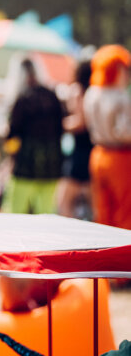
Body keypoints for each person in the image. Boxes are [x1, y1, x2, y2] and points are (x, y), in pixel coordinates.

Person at [2, 58, 63, 215]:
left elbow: (13, 133)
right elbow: (60, 127)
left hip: (26, 163)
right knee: (47, 212)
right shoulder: (51, 95)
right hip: (52, 161)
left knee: (16, 211)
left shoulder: (23, 99)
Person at [82, 45, 131, 230]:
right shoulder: (119, 96)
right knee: (125, 210)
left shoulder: (91, 93)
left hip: (98, 154)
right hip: (120, 156)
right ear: (117, 69)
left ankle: (104, 253)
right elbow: (124, 132)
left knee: (102, 210)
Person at [56, 57, 93, 218]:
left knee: (64, 203)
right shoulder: (93, 90)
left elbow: (81, 122)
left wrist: (60, 125)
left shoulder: (78, 90)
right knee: (91, 202)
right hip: (90, 149)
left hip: (79, 151)